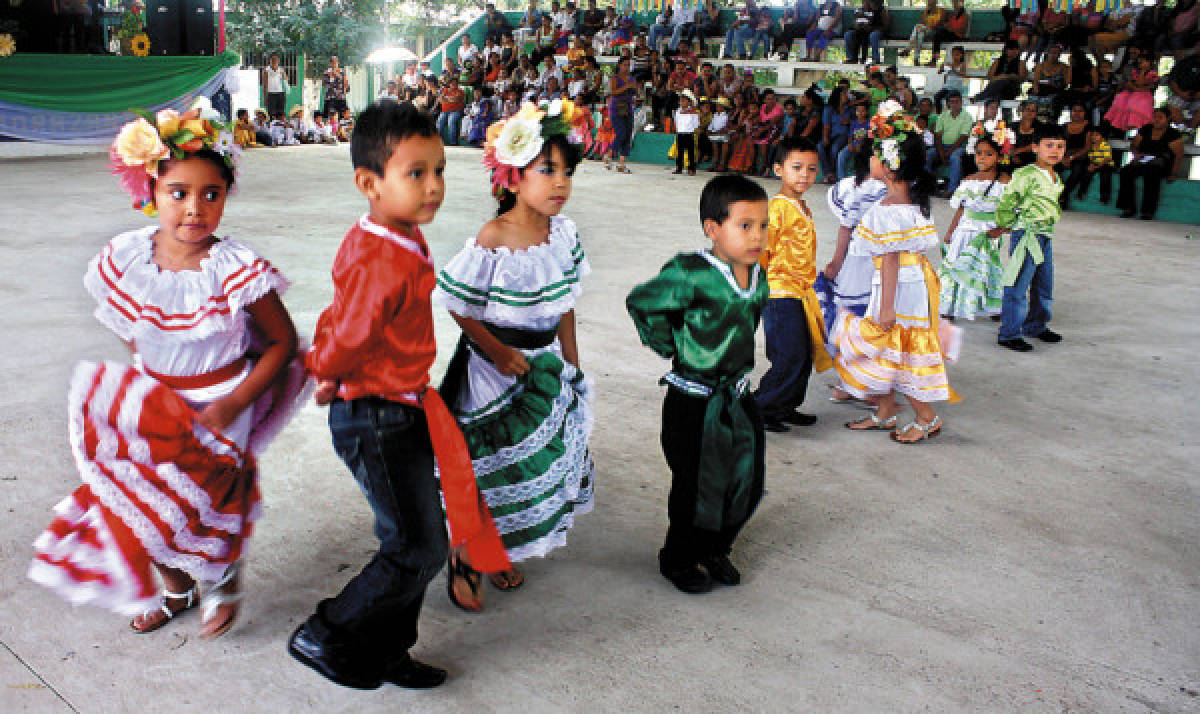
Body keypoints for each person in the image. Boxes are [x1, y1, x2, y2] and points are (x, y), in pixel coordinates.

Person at [30, 99, 303, 638]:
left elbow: (283, 342)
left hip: (221, 407)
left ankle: (222, 577)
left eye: (211, 194)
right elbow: (131, 323)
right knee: (143, 507)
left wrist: (235, 401)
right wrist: (145, 369)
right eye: (178, 193)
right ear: (150, 194)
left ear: (226, 197)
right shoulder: (130, 257)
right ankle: (177, 590)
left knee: (202, 506)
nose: (194, 209)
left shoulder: (234, 268)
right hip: (156, 405)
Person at [291, 102, 509, 690]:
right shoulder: (384, 257)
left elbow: (346, 314)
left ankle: (388, 650)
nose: (434, 186)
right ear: (369, 183)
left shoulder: (394, 234)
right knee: (415, 545)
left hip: (399, 404)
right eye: (416, 173)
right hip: (376, 415)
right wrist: (327, 369)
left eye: (439, 170)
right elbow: (352, 329)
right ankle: (329, 629)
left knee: (422, 538)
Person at [432, 98, 593, 609]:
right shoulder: (493, 238)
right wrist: (498, 352)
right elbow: (459, 305)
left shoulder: (563, 235)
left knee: (529, 465)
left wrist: (571, 361)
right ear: (513, 175)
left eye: (566, 171)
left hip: (542, 367)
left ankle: (498, 550)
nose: (560, 182)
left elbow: (564, 303)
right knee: (482, 467)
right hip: (492, 373)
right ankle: (466, 554)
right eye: (547, 170)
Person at [626, 174, 769, 594]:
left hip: (736, 396)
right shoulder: (691, 273)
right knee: (695, 486)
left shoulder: (757, 275)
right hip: (693, 400)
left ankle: (716, 546)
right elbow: (643, 302)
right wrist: (674, 347)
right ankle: (679, 558)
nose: (757, 235)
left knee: (745, 479)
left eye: (762, 225)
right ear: (713, 228)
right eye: (745, 225)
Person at [834, 102, 959, 443]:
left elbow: (889, 261)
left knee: (899, 348)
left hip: (897, 289)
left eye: (875, 154)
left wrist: (885, 307)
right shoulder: (914, 203)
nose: (869, 160)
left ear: (889, 165)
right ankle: (886, 411)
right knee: (888, 349)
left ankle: (926, 417)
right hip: (910, 283)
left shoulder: (885, 211)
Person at [753, 136, 833, 434]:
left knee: (803, 353)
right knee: (788, 355)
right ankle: (760, 408)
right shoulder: (777, 209)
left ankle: (784, 406)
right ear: (778, 170)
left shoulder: (801, 206)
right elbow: (761, 251)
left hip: (801, 293)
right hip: (779, 293)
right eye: (796, 167)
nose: (804, 175)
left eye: (811, 169)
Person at [994, 123, 1066, 353]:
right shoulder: (1025, 174)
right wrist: (1005, 224)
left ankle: (1036, 325)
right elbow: (1008, 201)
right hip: (1027, 234)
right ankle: (1009, 333)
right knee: (1017, 284)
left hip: (1045, 235)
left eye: (1060, 146)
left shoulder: (1055, 175)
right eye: (1049, 145)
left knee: (1044, 284)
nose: (1055, 150)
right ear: (1035, 147)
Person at [937, 121, 1012, 321]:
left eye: (989, 154)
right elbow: (962, 208)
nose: (982, 158)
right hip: (964, 230)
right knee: (957, 263)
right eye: (979, 153)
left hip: (988, 231)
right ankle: (949, 306)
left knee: (986, 268)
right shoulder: (969, 180)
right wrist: (950, 232)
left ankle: (991, 307)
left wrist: (1002, 229)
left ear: (999, 156)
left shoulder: (1005, 182)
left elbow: (1012, 211)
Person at [1117, 107, 1185, 221]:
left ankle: (1148, 211)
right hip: (1143, 160)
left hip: (1161, 163)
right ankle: (1128, 208)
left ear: (1168, 119)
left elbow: (1178, 155)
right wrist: (1136, 154)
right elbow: (1133, 146)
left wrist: (1173, 173)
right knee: (1125, 171)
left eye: (1160, 118)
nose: (1157, 120)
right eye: (1155, 117)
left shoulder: (1173, 134)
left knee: (1151, 173)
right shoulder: (1146, 129)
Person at [1105, 53, 1159, 132]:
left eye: (1142, 62)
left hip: (1143, 94)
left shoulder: (1153, 74)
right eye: (1138, 62)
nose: (1139, 64)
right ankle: (1122, 122)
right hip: (1133, 92)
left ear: (1149, 62)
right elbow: (1132, 84)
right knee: (1121, 97)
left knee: (1134, 101)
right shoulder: (1135, 72)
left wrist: (1143, 73)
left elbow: (1143, 84)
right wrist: (1136, 86)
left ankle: (1135, 122)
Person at [932, 90, 973, 196]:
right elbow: (938, 135)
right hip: (942, 146)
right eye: (952, 102)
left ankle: (951, 190)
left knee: (955, 157)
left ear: (961, 102)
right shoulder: (943, 116)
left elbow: (963, 137)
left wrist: (949, 152)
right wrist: (941, 152)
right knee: (927, 155)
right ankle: (929, 186)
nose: (954, 104)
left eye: (957, 101)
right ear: (948, 103)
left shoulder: (967, 117)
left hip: (959, 147)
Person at [1058, 103, 1093, 210]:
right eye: (1074, 110)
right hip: (1064, 156)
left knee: (1078, 170)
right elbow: (1059, 144)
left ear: (1085, 113)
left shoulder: (1088, 127)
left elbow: (1087, 148)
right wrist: (1063, 157)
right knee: (1053, 169)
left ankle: (1063, 196)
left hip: (1081, 156)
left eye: (1080, 111)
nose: (1077, 113)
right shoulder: (1064, 126)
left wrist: (1071, 157)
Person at [608, 56, 637, 174]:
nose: (627, 67)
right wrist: (626, 86)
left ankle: (622, 163)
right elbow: (612, 92)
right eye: (625, 64)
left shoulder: (631, 78)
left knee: (628, 135)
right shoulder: (614, 78)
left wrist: (634, 89)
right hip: (616, 108)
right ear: (620, 65)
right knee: (621, 133)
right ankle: (609, 154)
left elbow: (634, 92)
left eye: (628, 65)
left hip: (628, 107)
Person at [844, 0, 888, 65]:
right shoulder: (861, 10)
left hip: (874, 31)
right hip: (861, 30)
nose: (866, 3)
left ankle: (875, 59)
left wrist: (871, 28)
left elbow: (886, 27)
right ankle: (851, 58)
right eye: (864, 1)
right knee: (848, 34)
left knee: (873, 36)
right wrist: (857, 26)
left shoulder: (882, 11)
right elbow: (856, 21)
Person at [930, 0, 969, 67]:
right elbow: (947, 26)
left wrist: (952, 30)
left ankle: (934, 60)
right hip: (950, 35)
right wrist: (946, 26)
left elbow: (963, 30)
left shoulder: (965, 16)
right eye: (953, 4)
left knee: (939, 35)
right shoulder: (952, 16)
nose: (954, 5)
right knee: (938, 35)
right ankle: (934, 59)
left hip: (958, 36)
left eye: (956, 4)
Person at [673, 89, 701, 175]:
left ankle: (691, 169)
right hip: (680, 134)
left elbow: (696, 124)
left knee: (690, 153)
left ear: (689, 102)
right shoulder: (678, 111)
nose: (682, 102)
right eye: (681, 100)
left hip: (689, 134)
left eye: (684, 100)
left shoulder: (693, 112)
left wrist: (690, 128)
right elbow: (676, 121)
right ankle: (679, 168)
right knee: (680, 152)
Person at [436, 76, 467, 146]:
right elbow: (441, 100)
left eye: (455, 83)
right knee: (440, 121)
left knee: (451, 121)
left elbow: (456, 99)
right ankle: (439, 142)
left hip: (456, 111)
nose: (454, 85)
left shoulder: (460, 91)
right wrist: (449, 99)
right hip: (445, 111)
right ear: (449, 84)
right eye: (452, 83)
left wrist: (446, 98)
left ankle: (453, 142)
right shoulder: (445, 90)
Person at [262, 53, 288, 118]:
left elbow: (286, 80)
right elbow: (264, 85)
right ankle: (272, 127)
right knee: (271, 114)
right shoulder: (266, 70)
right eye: (273, 60)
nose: (274, 61)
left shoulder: (281, 70)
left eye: (276, 60)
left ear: (278, 61)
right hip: (271, 94)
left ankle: (280, 127)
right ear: (270, 61)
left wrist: (284, 76)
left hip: (280, 93)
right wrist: (265, 98)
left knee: (281, 113)